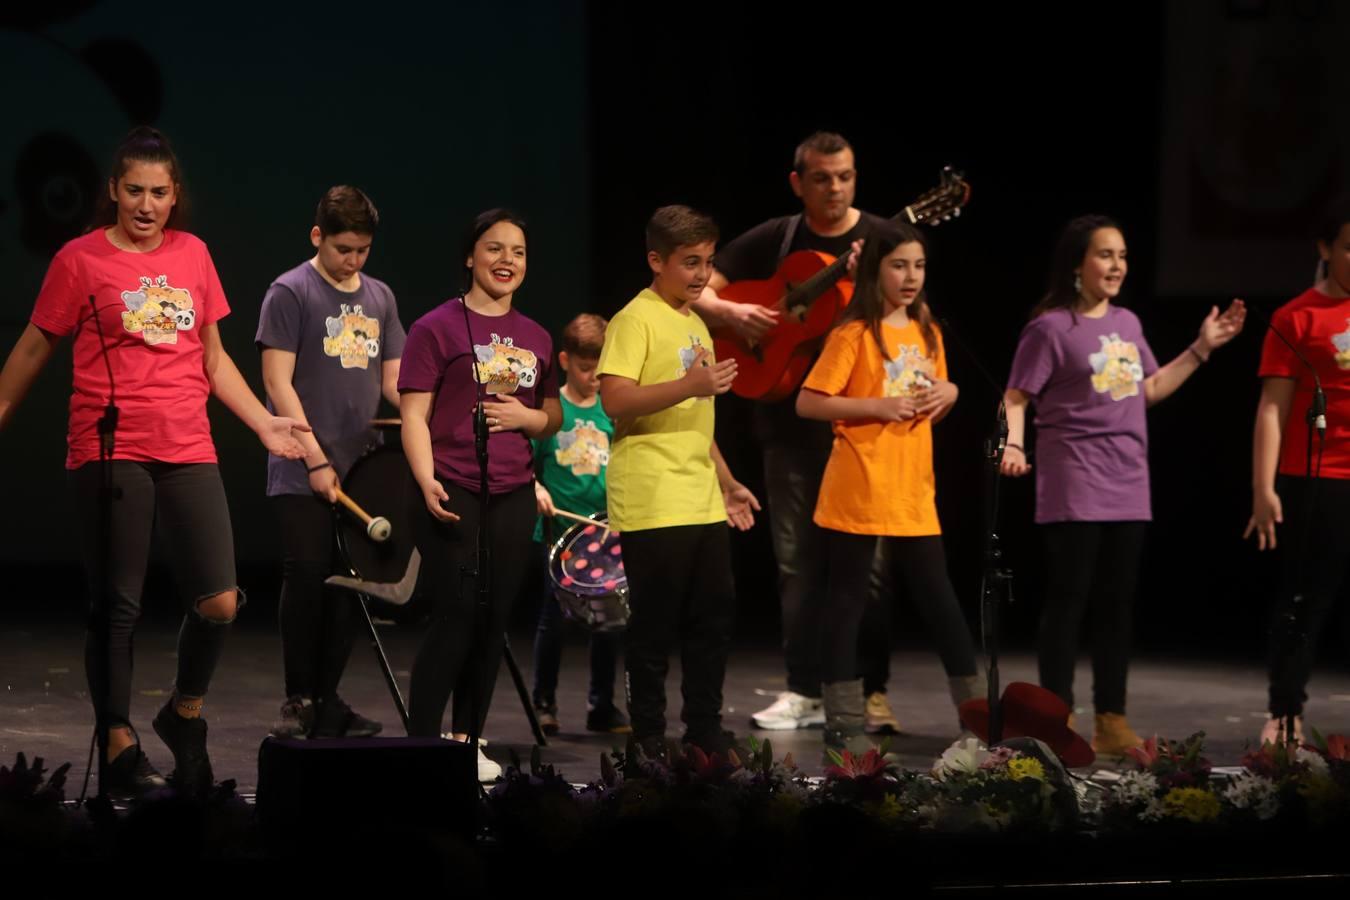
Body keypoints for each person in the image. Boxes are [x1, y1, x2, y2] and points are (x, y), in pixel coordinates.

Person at [0, 126, 307, 796]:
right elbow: (32, 348)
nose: (145, 203)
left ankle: (182, 712)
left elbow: (213, 358)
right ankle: (117, 742)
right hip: (110, 447)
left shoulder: (192, 254)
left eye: (158, 192)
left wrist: (263, 425)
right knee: (118, 606)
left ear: (174, 197)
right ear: (113, 191)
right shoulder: (79, 260)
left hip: (186, 443)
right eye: (133, 190)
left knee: (221, 602)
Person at [1002, 214, 1245, 755]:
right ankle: (1052, 724)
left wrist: (1202, 348)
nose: (1117, 266)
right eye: (1106, 255)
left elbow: (1150, 389)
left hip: (1128, 480)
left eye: (1123, 256)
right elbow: (1016, 396)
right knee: (1068, 603)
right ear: (1077, 264)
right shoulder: (1050, 328)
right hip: (1074, 479)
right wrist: (1013, 444)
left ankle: (1111, 721)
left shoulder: (1129, 324)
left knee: (1117, 605)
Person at [693, 132, 899, 734]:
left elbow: (909, 320)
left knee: (873, 569)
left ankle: (871, 690)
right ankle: (805, 689)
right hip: (786, 427)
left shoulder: (884, 237)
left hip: (862, 427)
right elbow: (704, 287)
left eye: (845, 176)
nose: (834, 189)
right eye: (821, 178)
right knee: (796, 564)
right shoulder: (779, 238)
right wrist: (733, 314)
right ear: (798, 182)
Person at [796, 220, 981, 756]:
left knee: (941, 602)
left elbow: (930, 403)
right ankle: (844, 721)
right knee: (847, 603)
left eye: (919, 265)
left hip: (912, 488)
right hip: (859, 484)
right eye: (899, 264)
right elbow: (810, 401)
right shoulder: (853, 334)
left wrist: (949, 391)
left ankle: (977, 717)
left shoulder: (927, 332)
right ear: (876, 268)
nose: (911, 276)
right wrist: (874, 406)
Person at [398, 208, 561, 781]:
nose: (506, 261)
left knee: (494, 619)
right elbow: (413, 415)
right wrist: (425, 480)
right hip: (452, 486)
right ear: (470, 257)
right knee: (458, 612)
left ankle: (466, 739)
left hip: (513, 493)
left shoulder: (538, 336)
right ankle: (421, 745)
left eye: (517, 251)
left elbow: (554, 413)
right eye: (494, 249)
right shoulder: (435, 328)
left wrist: (528, 416)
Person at [597, 204, 759, 757]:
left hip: (700, 493)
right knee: (655, 627)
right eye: (690, 262)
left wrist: (729, 481)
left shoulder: (694, 321)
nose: (701, 275)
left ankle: (703, 730)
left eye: (709, 263)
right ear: (656, 260)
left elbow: (696, 421)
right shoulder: (634, 319)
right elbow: (615, 400)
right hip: (653, 493)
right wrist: (691, 386)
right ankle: (647, 738)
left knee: (713, 616)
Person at [257, 185, 405, 738]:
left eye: (363, 250)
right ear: (318, 236)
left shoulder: (381, 298)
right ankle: (299, 700)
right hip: (302, 462)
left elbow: (394, 379)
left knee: (350, 582)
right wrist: (315, 458)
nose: (354, 261)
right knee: (308, 574)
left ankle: (329, 696)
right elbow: (277, 382)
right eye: (344, 248)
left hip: (362, 469)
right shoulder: (290, 293)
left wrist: (432, 419)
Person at [1244, 201, 1350, 746]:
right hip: (1317, 479)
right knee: (1304, 600)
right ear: (1326, 249)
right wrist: (1264, 488)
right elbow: (1272, 408)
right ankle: (1285, 712)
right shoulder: (1297, 318)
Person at [530, 313, 628, 735]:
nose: (594, 377)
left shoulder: (612, 410)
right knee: (554, 621)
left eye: (600, 369)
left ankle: (601, 706)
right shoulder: (554, 411)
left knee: (609, 625)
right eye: (587, 369)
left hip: (603, 535)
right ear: (566, 360)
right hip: (560, 537)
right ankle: (544, 702)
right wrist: (535, 488)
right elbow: (526, 466)